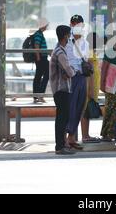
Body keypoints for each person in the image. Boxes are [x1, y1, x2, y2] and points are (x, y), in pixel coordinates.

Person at [50, 25, 76, 155]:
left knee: (63, 118)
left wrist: (70, 71)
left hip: (62, 89)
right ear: (65, 35)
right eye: (69, 34)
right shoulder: (60, 52)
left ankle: (61, 145)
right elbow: (69, 71)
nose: (70, 37)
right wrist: (72, 71)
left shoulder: (59, 50)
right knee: (62, 119)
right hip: (61, 89)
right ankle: (60, 146)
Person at [65, 15, 90, 149]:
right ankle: (64, 139)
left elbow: (86, 60)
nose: (76, 27)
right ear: (71, 25)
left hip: (82, 77)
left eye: (79, 24)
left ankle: (72, 138)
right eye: (74, 24)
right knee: (69, 108)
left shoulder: (85, 43)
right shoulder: (66, 41)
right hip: (70, 78)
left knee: (79, 107)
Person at [80, 32, 103, 143]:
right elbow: (89, 72)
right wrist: (90, 89)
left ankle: (86, 134)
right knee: (85, 110)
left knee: (87, 110)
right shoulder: (88, 53)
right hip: (90, 85)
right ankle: (85, 135)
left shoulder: (92, 52)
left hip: (94, 85)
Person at [33, 18, 50, 104]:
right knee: (46, 74)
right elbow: (36, 46)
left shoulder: (39, 34)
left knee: (38, 76)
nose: (47, 26)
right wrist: (38, 57)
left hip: (42, 58)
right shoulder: (38, 34)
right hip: (41, 58)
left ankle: (37, 96)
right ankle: (39, 95)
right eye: (46, 25)